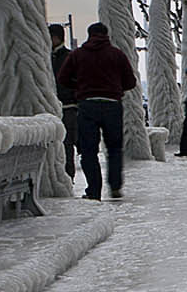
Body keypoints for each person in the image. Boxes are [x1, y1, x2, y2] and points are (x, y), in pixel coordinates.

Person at [57, 21, 137, 201]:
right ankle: (115, 186)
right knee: (115, 148)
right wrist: (116, 87)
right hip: (112, 105)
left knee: (88, 150)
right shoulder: (117, 55)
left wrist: (80, 88)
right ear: (106, 34)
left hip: (87, 104)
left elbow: (62, 78)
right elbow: (131, 82)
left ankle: (93, 190)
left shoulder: (78, 54)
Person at [50, 23, 77, 179]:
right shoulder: (50, 56)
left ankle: (68, 175)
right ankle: (62, 175)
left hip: (67, 106)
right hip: (59, 105)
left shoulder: (68, 57)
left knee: (67, 143)